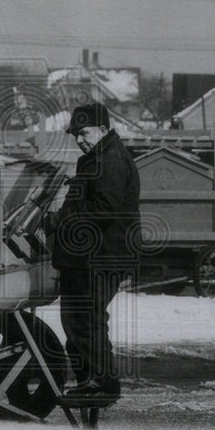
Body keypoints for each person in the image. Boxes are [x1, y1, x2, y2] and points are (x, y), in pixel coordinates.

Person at [51, 103, 142, 407]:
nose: (79, 139)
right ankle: (87, 382)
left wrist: (63, 220)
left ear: (103, 130)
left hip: (105, 256)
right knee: (77, 318)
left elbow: (105, 209)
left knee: (86, 319)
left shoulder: (112, 160)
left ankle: (102, 384)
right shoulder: (93, 159)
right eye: (75, 134)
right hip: (90, 256)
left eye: (84, 132)